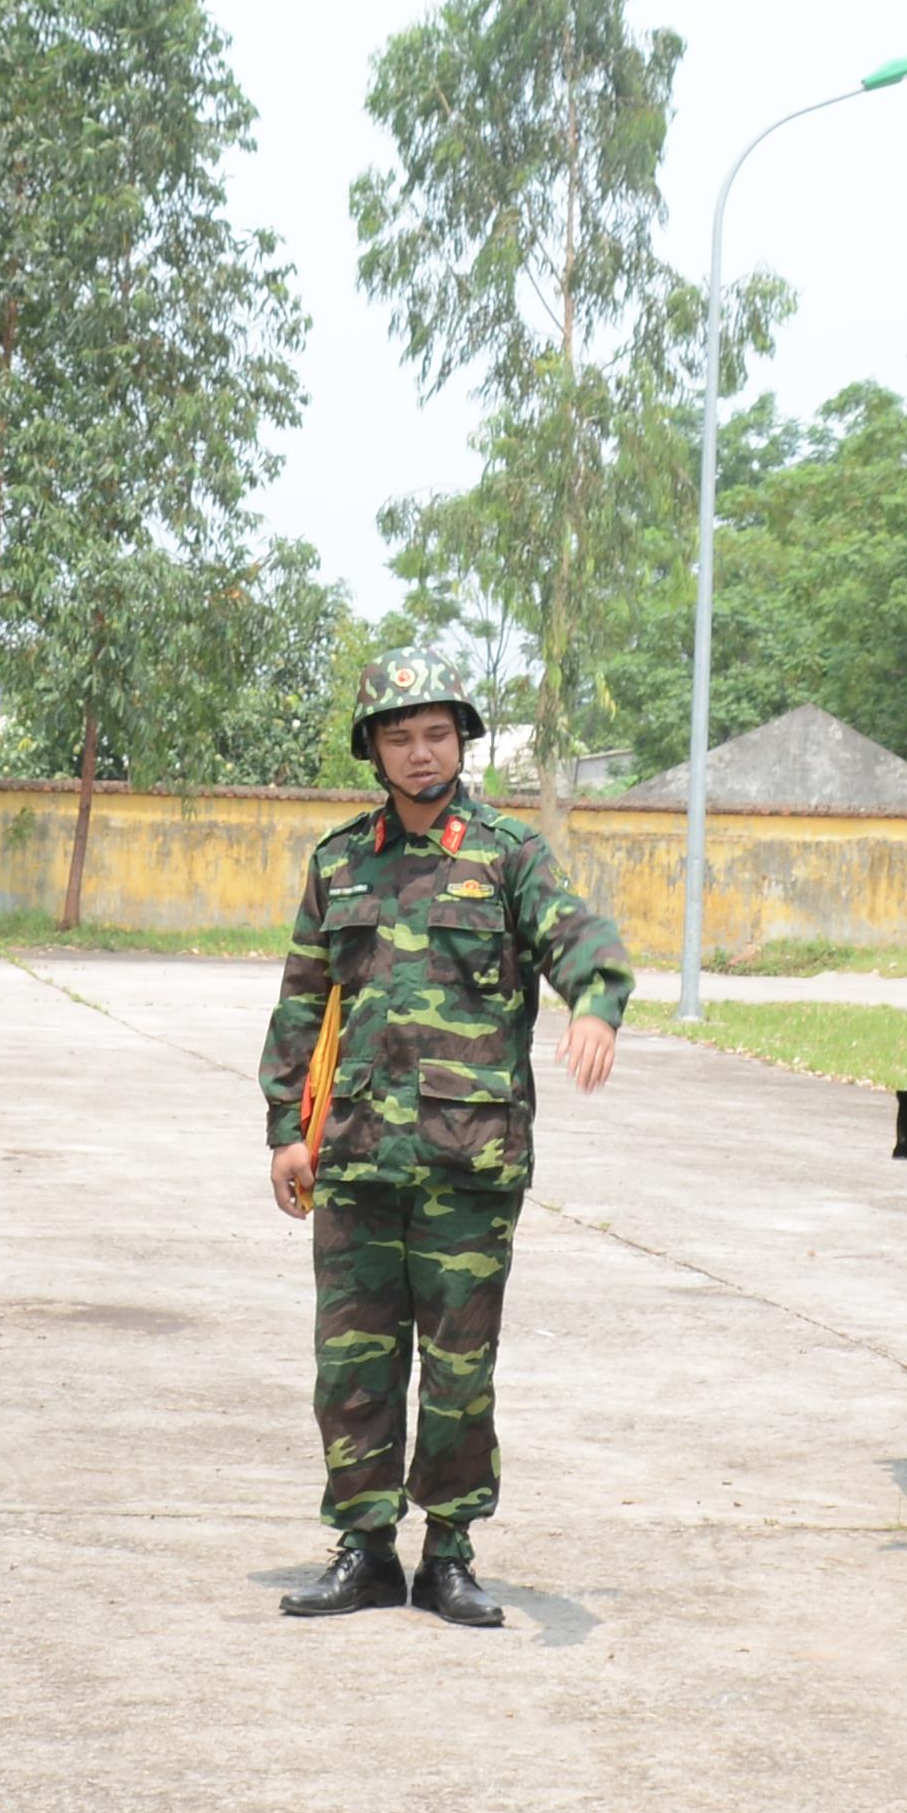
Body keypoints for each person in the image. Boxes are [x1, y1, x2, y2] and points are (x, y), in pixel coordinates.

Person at [256, 671, 628, 1628]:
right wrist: (286, 1134)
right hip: (354, 1159)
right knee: (352, 1370)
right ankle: (366, 1549)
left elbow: (580, 939)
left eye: (437, 734)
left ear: (462, 742)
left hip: (469, 1164)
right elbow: (303, 1002)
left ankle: (451, 1553)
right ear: (373, 753)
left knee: (460, 1372)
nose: (421, 753)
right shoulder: (340, 863)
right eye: (400, 739)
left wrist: (596, 1002)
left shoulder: (509, 856)